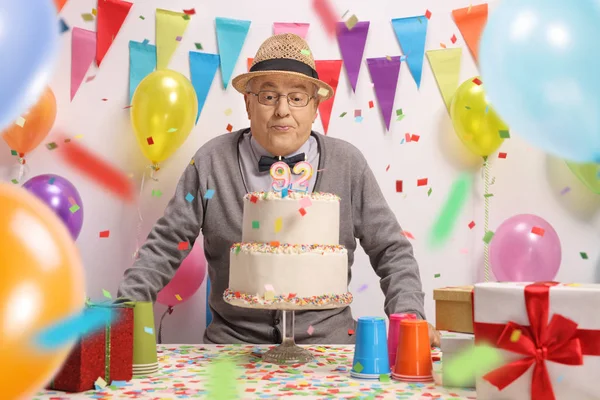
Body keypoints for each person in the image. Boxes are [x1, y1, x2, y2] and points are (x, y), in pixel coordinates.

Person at [118, 33, 440, 346]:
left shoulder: (348, 164)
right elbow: (163, 246)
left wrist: (409, 318)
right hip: (233, 351)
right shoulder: (211, 162)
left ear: (315, 107)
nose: (282, 110)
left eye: (297, 97)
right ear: (248, 103)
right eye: (268, 96)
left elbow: (392, 250)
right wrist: (122, 316)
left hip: (330, 350)